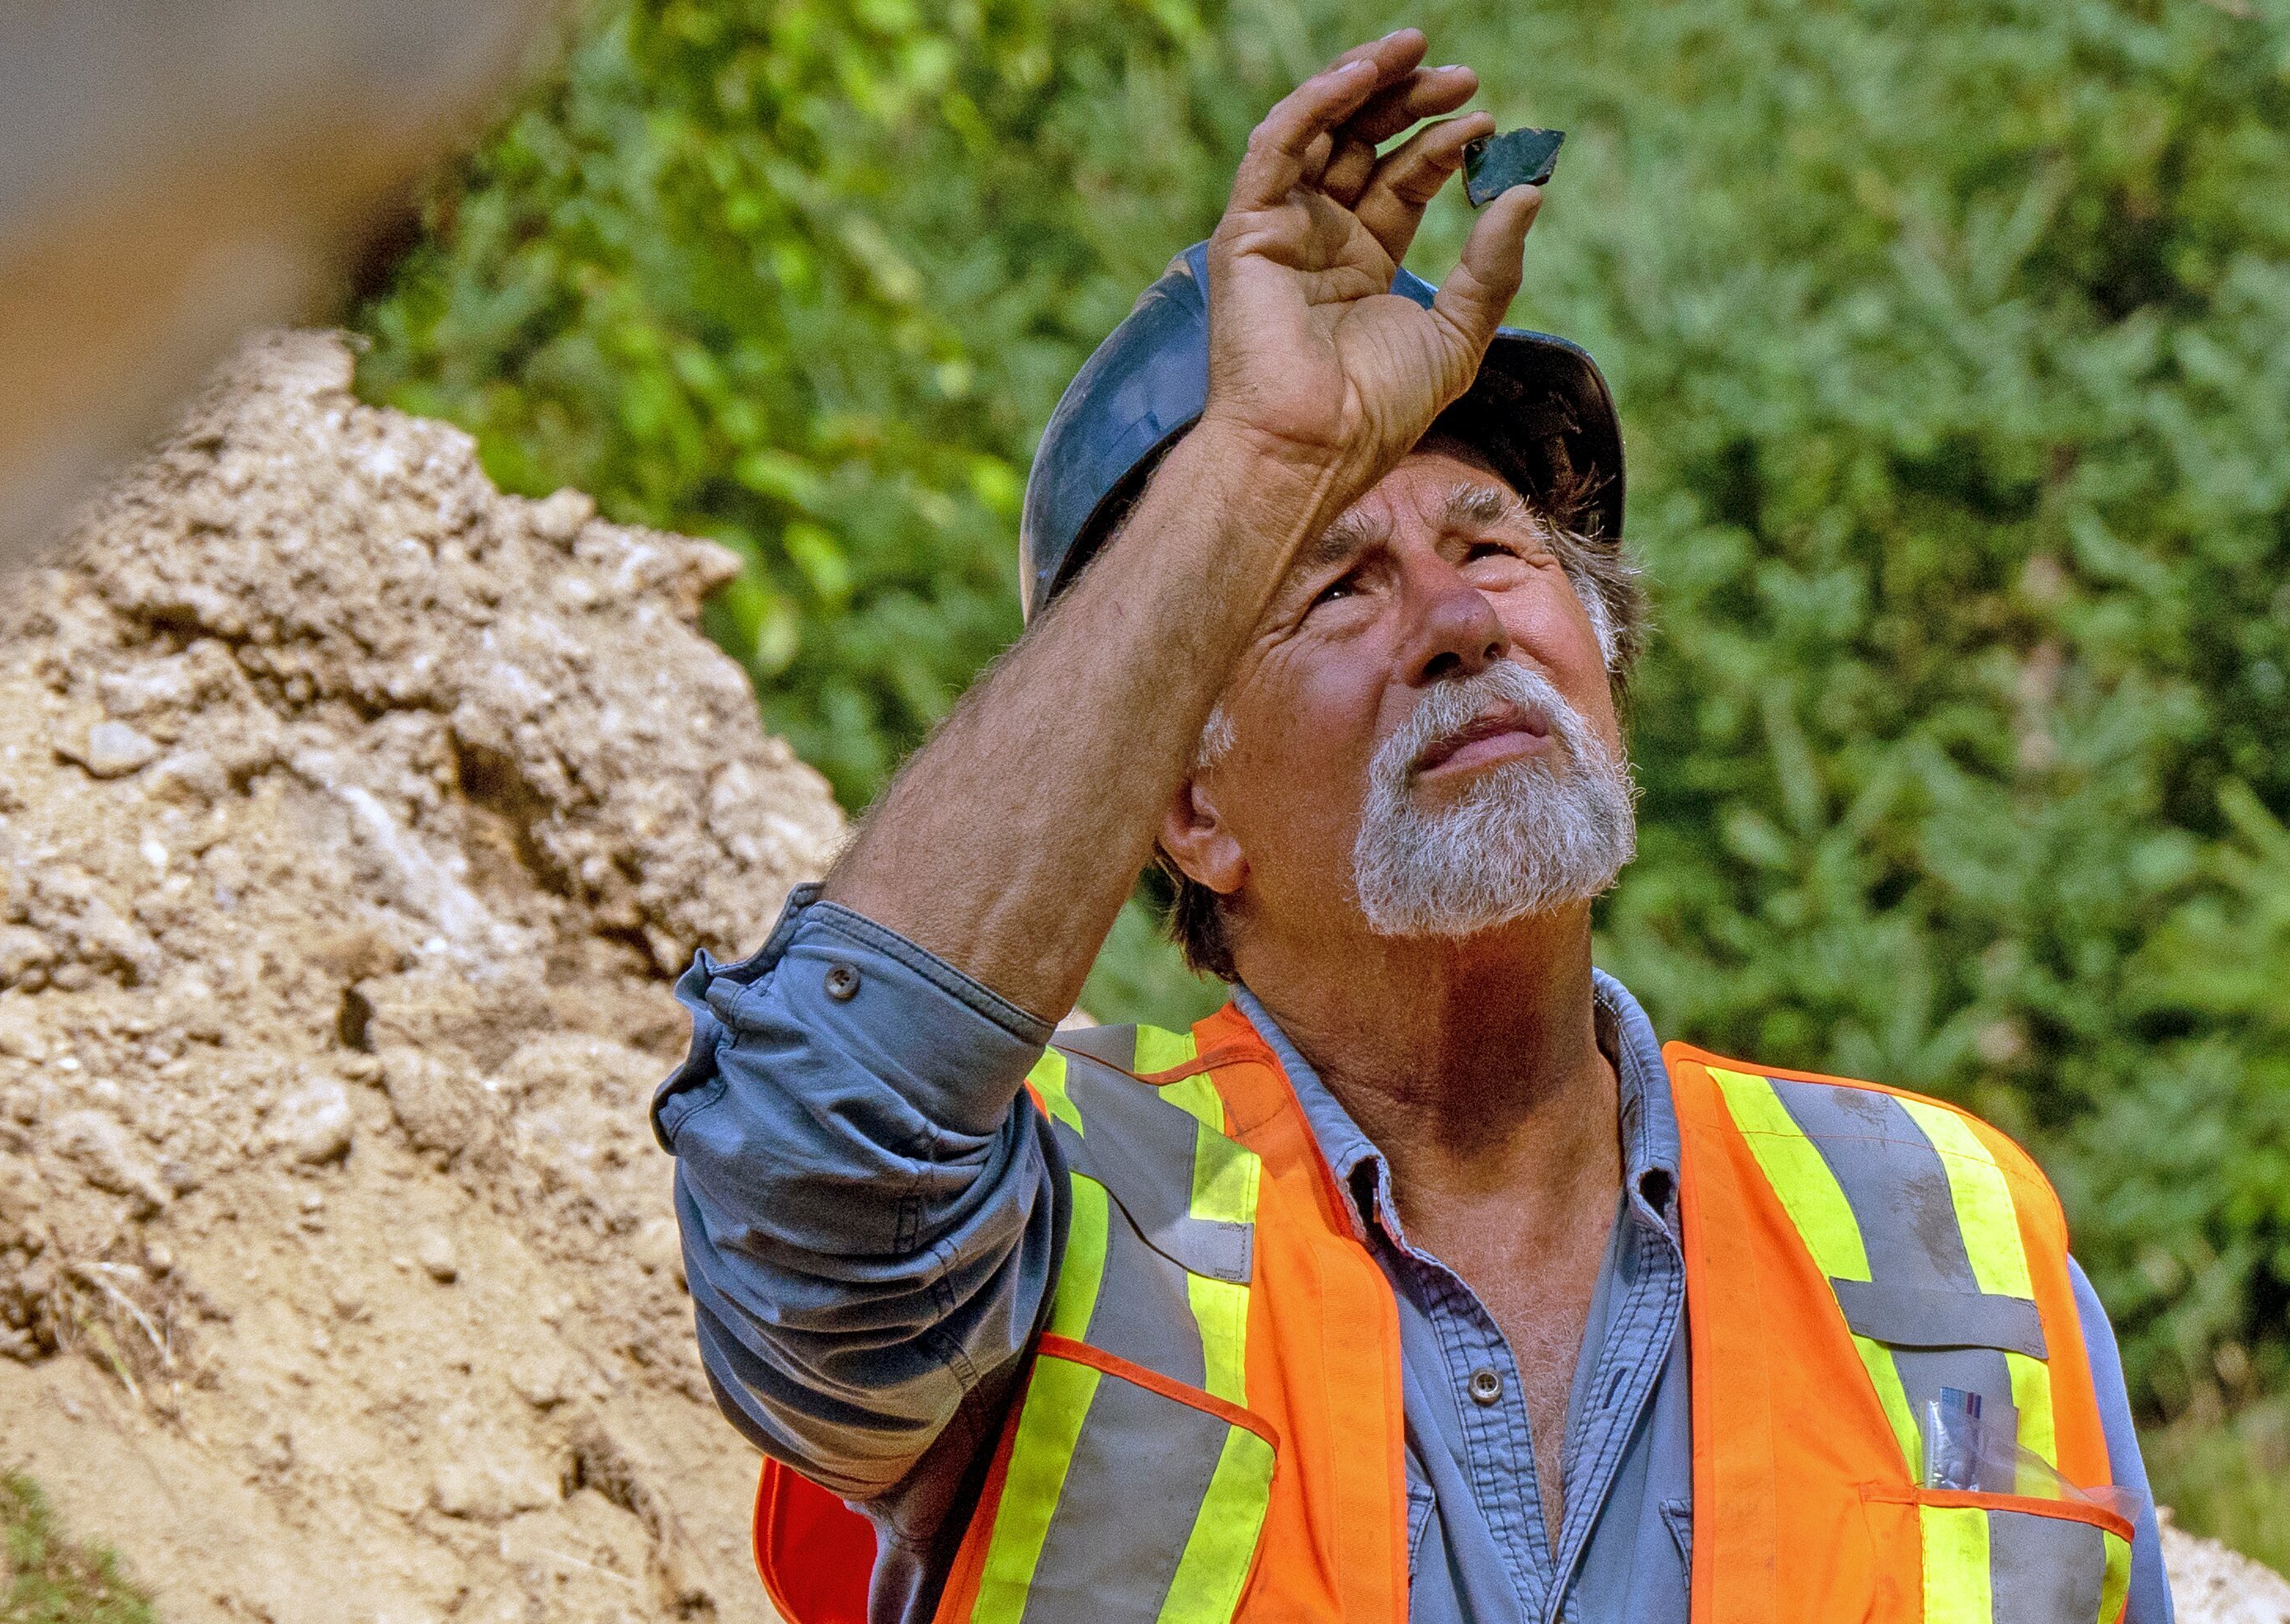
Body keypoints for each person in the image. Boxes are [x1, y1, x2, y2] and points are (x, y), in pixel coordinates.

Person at [655, 29, 2177, 1624]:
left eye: (1494, 546)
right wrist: (1261, 459)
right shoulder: (1066, 1223)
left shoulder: (1951, 1238)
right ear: (1189, 807)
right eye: (1335, 589)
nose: (1457, 622)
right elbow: (812, 1176)